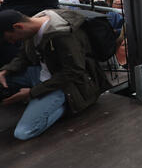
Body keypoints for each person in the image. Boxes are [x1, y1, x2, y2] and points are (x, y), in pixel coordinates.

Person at [0, 9, 108, 140]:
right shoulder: (34, 25)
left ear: (18, 26)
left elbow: (73, 72)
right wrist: (7, 70)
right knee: (3, 78)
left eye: (11, 38)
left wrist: (32, 93)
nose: (12, 42)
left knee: (23, 132)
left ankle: (67, 105)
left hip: (67, 85)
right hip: (44, 74)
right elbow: (24, 56)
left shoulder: (63, 35)